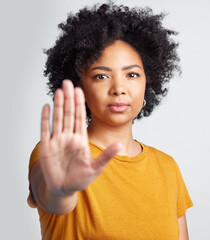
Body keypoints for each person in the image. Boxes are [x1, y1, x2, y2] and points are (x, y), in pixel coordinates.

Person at [27, 2, 193, 239]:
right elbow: (52, 197)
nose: (118, 88)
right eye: (101, 75)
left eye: (132, 74)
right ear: (80, 86)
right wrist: (61, 190)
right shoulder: (56, 155)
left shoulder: (168, 167)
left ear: (149, 83)